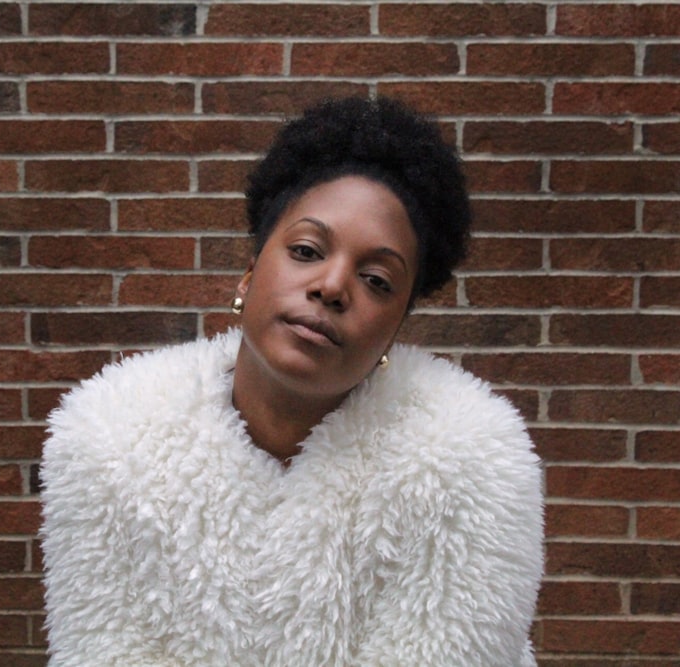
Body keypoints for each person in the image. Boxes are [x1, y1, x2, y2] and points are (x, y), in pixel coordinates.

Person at [40, 96, 544, 666]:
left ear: (397, 329)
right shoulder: (108, 440)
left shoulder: (472, 459)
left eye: (377, 280)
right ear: (250, 273)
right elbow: (102, 650)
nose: (332, 286)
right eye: (306, 251)